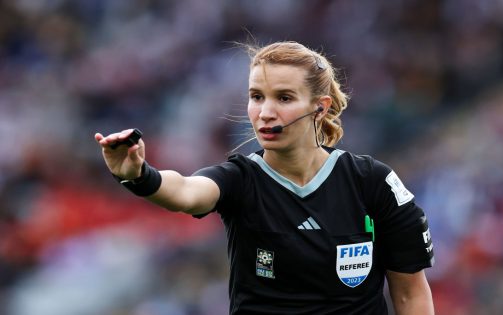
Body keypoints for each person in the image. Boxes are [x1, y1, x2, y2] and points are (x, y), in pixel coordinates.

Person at [94, 41, 435, 315]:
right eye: (256, 96)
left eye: (284, 98)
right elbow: (185, 191)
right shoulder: (241, 179)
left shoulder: (373, 183)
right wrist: (139, 175)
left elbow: (411, 296)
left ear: (320, 106)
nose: (265, 112)